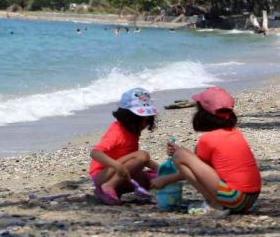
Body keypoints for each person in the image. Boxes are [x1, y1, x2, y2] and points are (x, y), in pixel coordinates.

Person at [150, 87, 261, 216]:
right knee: (182, 154)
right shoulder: (235, 133)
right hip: (250, 198)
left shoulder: (208, 139)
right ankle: (217, 203)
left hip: (235, 198)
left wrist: (165, 179)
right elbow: (200, 165)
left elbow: (197, 171)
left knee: (179, 155)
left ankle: (215, 205)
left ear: (203, 114)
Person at [90, 87, 159, 205]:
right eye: (140, 120)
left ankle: (115, 189)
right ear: (128, 117)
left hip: (122, 173)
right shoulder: (117, 132)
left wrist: (158, 168)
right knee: (142, 155)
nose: (144, 124)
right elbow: (95, 153)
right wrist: (116, 165)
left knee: (160, 178)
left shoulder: (132, 131)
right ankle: (108, 186)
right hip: (103, 175)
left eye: (147, 120)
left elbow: (131, 157)